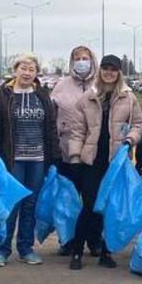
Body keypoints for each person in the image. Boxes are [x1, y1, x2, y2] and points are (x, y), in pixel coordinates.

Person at [67, 55, 142, 269]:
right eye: (106, 68)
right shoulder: (88, 98)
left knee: (111, 208)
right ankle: (77, 251)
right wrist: (75, 157)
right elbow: (77, 131)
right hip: (92, 161)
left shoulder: (128, 97)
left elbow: (138, 123)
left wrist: (130, 139)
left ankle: (106, 252)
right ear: (100, 70)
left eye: (113, 69)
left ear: (119, 72)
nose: (109, 73)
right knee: (89, 206)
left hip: (116, 163)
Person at [0, 52, 59, 267]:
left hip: (37, 158)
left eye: (31, 69)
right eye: (23, 68)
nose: (27, 73)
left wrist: (54, 156)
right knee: (11, 203)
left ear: (36, 73)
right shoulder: (2, 95)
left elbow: (51, 127)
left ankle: (26, 248)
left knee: (30, 203)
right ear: (15, 70)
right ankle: (2, 249)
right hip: (12, 159)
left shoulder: (42, 95)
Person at [50, 45, 97, 257]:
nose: (81, 62)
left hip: (94, 154)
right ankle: (68, 240)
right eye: (77, 58)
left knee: (92, 199)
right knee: (67, 200)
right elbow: (51, 116)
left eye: (85, 58)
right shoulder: (61, 87)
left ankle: (94, 239)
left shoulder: (100, 85)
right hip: (66, 152)